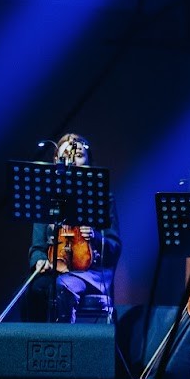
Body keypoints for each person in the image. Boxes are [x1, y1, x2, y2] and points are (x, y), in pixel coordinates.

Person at [25, 134, 122, 324]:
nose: (72, 162)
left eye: (78, 155)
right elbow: (37, 248)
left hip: (91, 273)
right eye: (65, 157)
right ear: (56, 162)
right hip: (57, 268)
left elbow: (115, 246)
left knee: (62, 287)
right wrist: (39, 260)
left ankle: (65, 340)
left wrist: (95, 238)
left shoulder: (103, 197)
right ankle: (35, 342)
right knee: (34, 289)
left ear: (89, 161)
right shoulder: (47, 197)